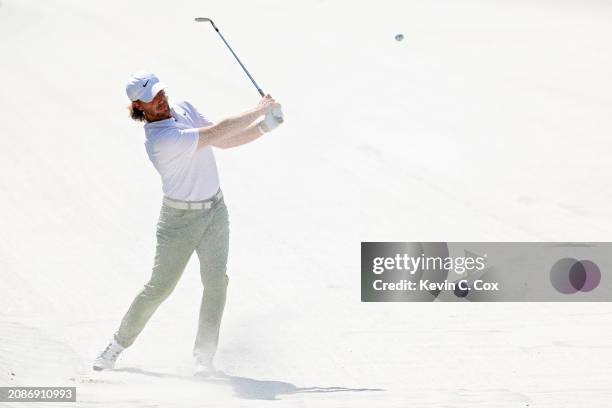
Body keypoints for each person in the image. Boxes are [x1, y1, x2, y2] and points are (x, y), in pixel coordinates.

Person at [93, 71, 283, 376]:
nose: (161, 98)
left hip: (215, 211)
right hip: (179, 221)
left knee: (217, 282)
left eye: (160, 91)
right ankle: (117, 345)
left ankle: (203, 357)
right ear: (139, 108)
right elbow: (216, 132)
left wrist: (265, 126)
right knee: (159, 288)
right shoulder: (161, 140)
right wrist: (259, 109)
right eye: (152, 98)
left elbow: (223, 140)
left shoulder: (184, 109)